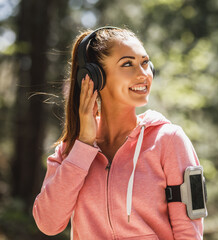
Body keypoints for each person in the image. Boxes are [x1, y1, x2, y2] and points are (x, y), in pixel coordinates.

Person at [32, 26, 204, 239]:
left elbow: (189, 232)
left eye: (144, 63)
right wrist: (84, 146)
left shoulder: (168, 140)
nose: (143, 74)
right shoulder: (70, 151)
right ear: (94, 76)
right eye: (127, 64)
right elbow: (48, 224)